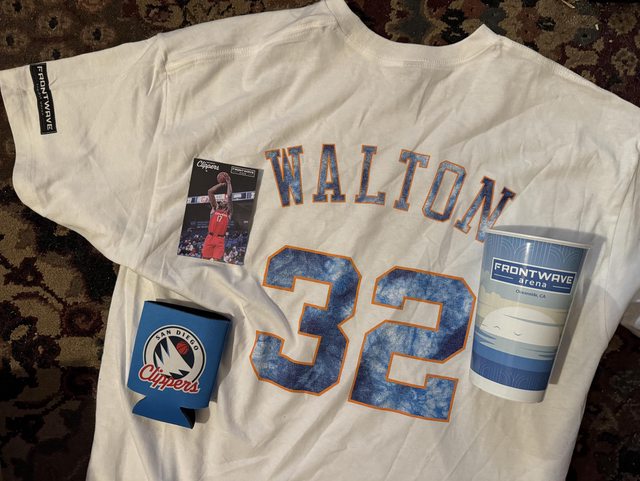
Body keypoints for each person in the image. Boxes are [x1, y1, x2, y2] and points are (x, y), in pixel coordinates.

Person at [201, 172, 232, 261]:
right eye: (222, 200)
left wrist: (229, 183)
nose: (223, 200)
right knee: (204, 260)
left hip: (220, 239)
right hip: (210, 237)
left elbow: (229, 196)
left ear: (227, 204)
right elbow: (210, 191)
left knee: (216, 261)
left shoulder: (229, 212)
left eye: (225, 200)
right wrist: (221, 184)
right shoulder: (215, 208)